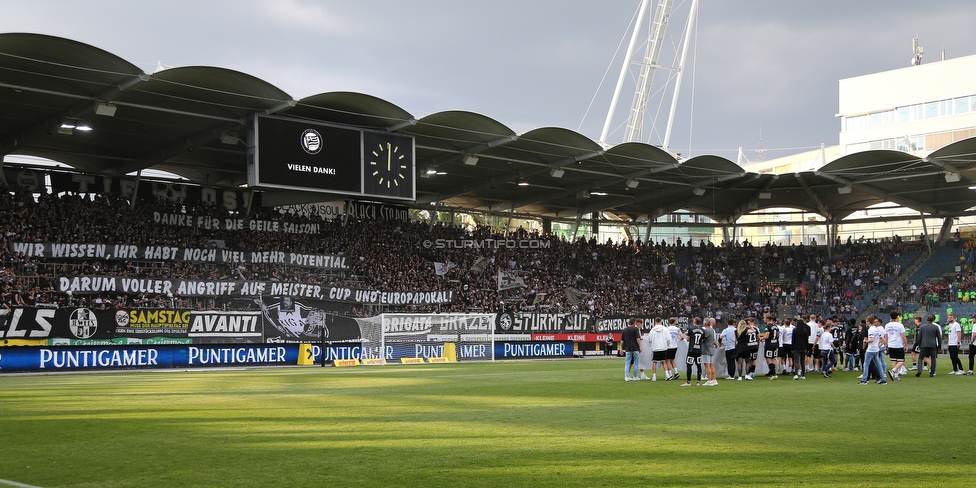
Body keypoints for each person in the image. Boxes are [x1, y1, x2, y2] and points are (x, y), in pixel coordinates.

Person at [860, 315, 888, 385]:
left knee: (866, 364)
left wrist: (866, 341)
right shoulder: (876, 329)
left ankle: (864, 380)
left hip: (871, 349)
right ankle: (883, 379)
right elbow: (883, 339)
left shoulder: (870, 329)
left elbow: (872, 339)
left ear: (868, 322)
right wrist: (879, 345)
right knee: (878, 364)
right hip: (876, 349)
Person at [681, 317, 705, 386]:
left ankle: (688, 382)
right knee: (699, 366)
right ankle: (698, 382)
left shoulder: (691, 329)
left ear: (694, 322)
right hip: (699, 350)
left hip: (691, 350)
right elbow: (703, 340)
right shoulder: (702, 330)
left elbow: (688, 339)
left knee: (689, 365)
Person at [883, 311, 907, 381]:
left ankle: (895, 375)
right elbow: (903, 336)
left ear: (890, 317)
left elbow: (886, 336)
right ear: (897, 317)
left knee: (894, 360)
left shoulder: (887, 325)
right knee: (901, 361)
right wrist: (906, 345)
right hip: (898, 344)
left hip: (891, 344)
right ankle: (893, 371)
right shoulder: (900, 325)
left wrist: (886, 345)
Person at [647, 317, 672, 381]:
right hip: (663, 347)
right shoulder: (665, 329)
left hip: (655, 348)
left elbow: (649, 339)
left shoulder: (652, 330)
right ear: (661, 322)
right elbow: (669, 339)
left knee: (654, 362)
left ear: (655, 322)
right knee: (664, 361)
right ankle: (667, 375)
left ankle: (654, 376)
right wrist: (667, 345)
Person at [761, 313, 780, 379]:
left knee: (768, 358)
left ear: (767, 319)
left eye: (764, 318)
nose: (763, 319)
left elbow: (767, 335)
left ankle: (773, 373)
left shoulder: (768, 326)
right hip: (775, 344)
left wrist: (761, 338)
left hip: (769, 345)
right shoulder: (775, 326)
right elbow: (778, 335)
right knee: (772, 358)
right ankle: (772, 372)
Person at [702, 317, 718, 386]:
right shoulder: (712, 330)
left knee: (707, 365)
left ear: (705, 323)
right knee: (711, 365)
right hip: (711, 349)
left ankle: (709, 380)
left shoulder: (706, 331)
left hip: (706, 349)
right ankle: (714, 379)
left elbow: (702, 340)